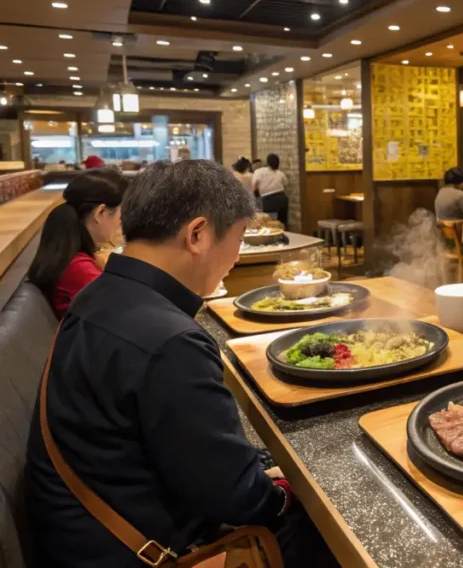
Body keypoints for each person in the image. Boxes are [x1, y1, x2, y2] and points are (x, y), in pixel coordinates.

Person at [26, 160, 336, 568]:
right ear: (197, 234)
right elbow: (238, 497)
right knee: (327, 522)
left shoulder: (99, 294)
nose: (237, 254)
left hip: (75, 531)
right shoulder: (170, 341)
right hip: (128, 550)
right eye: (239, 236)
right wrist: (288, 491)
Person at [27, 168, 129, 317]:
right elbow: (125, 310)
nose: (122, 222)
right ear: (100, 213)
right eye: (122, 214)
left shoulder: (71, 258)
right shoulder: (79, 269)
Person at [252, 152, 289, 227]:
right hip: (282, 199)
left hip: (267, 200)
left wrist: (257, 198)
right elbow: (285, 184)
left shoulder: (259, 172)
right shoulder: (280, 173)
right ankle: (283, 235)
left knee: (265, 223)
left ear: (267, 162)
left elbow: (255, 186)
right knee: (282, 223)